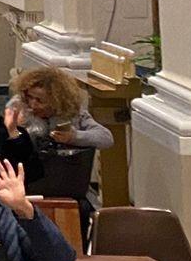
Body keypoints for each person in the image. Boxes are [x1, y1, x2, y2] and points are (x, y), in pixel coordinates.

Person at [6, 65, 112, 211]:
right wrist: (13, 130)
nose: (33, 104)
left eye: (40, 100)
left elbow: (106, 138)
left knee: (84, 209)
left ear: (56, 101)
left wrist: (73, 137)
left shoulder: (73, 113)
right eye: (30, 97)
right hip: (27, 183)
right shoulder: (18, 108)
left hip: (65, 181)